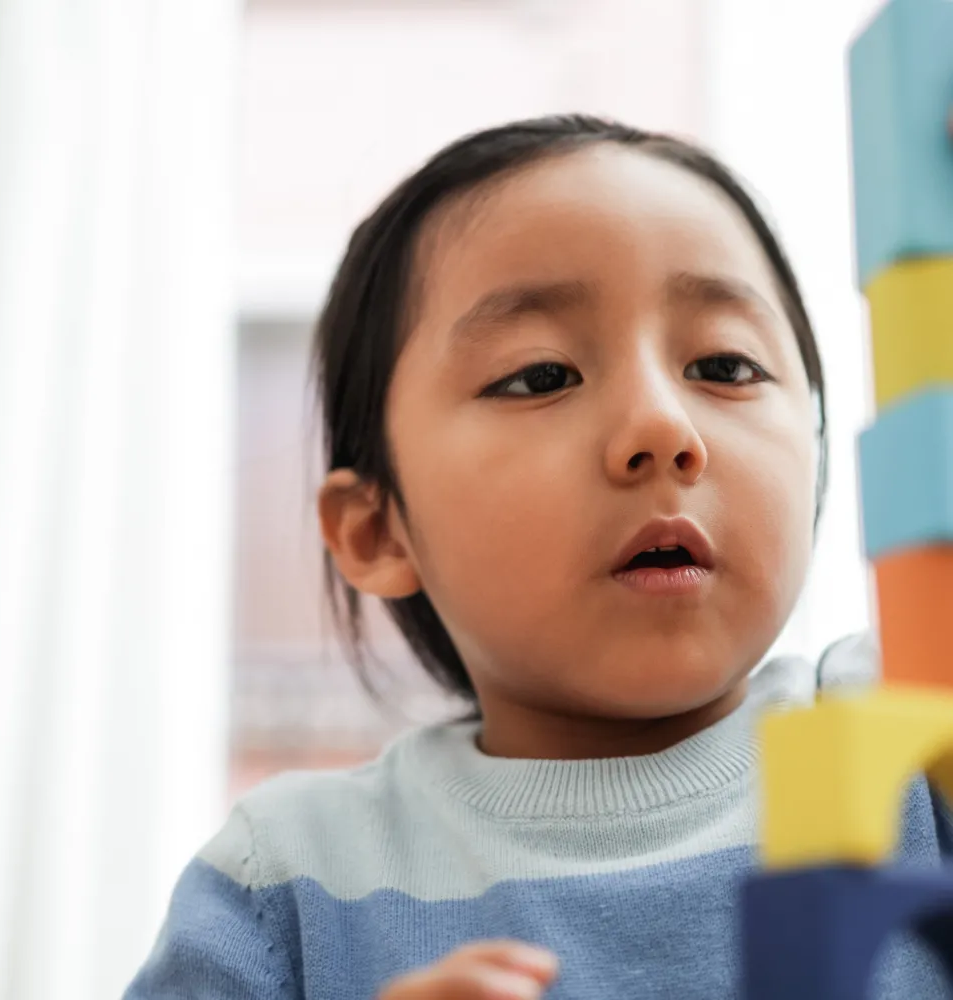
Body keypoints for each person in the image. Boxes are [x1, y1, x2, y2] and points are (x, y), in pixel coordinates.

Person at [122, 114, 953, 1000]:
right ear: (377, 529)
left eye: (724, 364)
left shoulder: (913, 735)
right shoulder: (285, 884)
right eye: (540, 376)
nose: (662, 430)